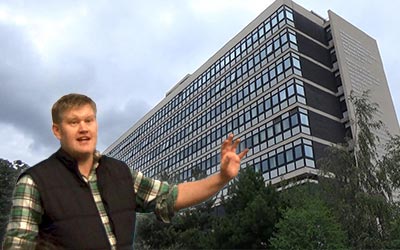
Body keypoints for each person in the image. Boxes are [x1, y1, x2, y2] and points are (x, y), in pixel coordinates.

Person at [3, 93, 249, 249]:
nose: (83, 128)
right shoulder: (35, 182)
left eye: (89, 120)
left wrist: (222, 177)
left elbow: (171, 196)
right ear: (57, 131)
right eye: (73, 122)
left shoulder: (120, 174)